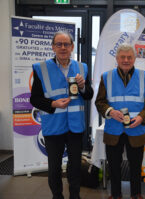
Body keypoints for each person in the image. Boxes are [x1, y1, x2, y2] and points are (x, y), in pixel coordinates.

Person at [30, 31, 94, 199]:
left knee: (74, 167)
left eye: (66, 44)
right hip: (53, 124)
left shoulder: (82, 67)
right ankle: (57, 196)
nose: (63, 48)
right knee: (54, 168)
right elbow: (34, 99)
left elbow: (88, 95)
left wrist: (82, 87)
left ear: (72, 47)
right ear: (53, 47)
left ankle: (75, 196)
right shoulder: (41, 68)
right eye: (59, 44)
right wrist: (53, 104)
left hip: (75, 126)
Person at [95, 44, 145, 199]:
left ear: (135, 59)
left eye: (129, 57)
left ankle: (136, 194)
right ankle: (115, 194)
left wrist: (142, 117)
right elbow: (100, 102)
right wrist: (110, 111)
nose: (126, 60)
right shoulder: (106, 77)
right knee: (114, 166)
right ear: (117, 59)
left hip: (136, 129)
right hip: (113, 130)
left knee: (136, 166)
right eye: (122, 57)